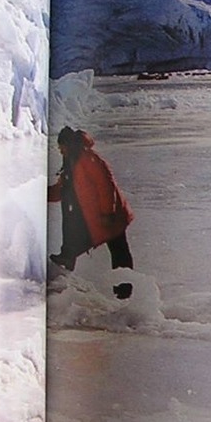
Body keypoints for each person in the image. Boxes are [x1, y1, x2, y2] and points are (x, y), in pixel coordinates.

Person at [47, 126, 135, 298]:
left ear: (68, 144)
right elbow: (61, 190)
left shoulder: (88, 159)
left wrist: (107, 214)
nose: (60, 151)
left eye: (61, 147)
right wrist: (40, 193)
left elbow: (106, 186)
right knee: (78, 247)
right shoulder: (71, 162)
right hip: (95, 218)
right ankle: (62, 274)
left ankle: (124, 293)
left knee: (119, 252)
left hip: (111, 216)